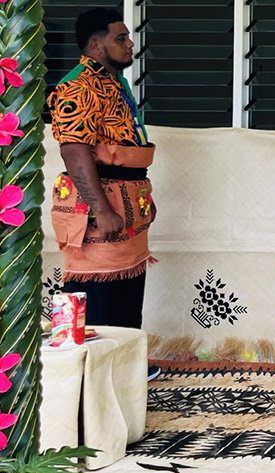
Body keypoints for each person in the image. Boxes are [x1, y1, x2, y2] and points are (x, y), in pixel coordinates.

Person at [48, 8, 160, 380]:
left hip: (128, 199)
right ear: (96, 46)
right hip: (98, 205)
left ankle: (126, 369)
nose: (130, 45)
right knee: (96, 290)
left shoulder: (114, 82)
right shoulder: (78, 86)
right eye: (121, 38)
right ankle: (93, 378)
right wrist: (103, 209)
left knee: (128, 288)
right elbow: (75, 151)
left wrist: (142, 198)